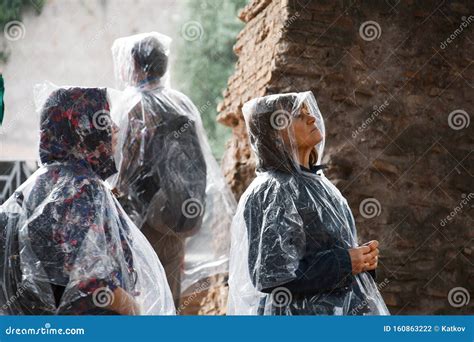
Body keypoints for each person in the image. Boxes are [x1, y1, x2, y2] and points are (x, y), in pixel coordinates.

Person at [0, 86, 175, 315]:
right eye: (104, 121)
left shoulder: (42, 182)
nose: (114, 129)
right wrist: (133, 311)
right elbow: (90, 279)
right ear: (83, 131)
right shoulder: (81, 190)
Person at [227, 91, 390, 315]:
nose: (312, 119)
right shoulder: (270, 191)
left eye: (308, 112)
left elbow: (329, 254)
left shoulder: (320, 185)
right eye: (298, 115)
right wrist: (344, 262)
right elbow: (270, 275)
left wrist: (361, 261)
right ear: (274, 134)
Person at [110, 32, 236, 309]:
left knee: (139, 297)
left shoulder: (133, 107)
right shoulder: (182, 103)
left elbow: (125, 169)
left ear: (136, 66)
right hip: (176, 218)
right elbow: (199, 163)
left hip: (142, 223)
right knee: (168, 296)